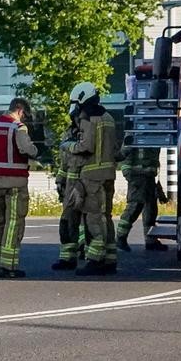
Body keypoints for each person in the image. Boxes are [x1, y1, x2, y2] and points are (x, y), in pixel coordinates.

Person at [69, 82, 122, 276]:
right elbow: (115, 150)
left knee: (93, 219)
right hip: (109, 175)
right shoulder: (108, 117)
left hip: (92, 176)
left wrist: (69, 146)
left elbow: (86, 146)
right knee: (106, 217)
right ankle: (110, 258)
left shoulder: (87, 118)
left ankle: (95, 259)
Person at [0, 98, 40, 278]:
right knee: (13, 223)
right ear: (19, 110)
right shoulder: (17, 127)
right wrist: (35, 151)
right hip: (15, 183)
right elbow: (26, 149)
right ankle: (8, 266)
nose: (23, 118)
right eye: (24, 114)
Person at [117, 147, 168, 252]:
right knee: (134, 207)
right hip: (137, 178)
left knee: (151, 209)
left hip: (149, 178)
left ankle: (150, 240)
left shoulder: (151, 137)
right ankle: (120, 238)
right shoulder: (135, 135)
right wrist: (131, 177)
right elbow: (125, 159)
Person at [53, 119, 87, 271]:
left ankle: (91, 255)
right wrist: (60, 180)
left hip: (88, 183)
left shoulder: (90, 131)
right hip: (71, 186)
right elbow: (64, 162)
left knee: (91, 222)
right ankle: (68, 257)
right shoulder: (69, 132)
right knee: (67, 222)